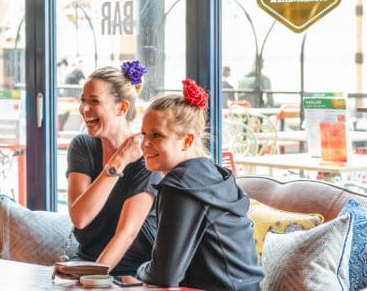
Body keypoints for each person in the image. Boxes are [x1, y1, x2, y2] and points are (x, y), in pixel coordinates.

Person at [135, 79, 263, 290]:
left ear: (187, 141)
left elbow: (164, 275)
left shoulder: (181, 187)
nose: (145, 143)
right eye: (144, 134)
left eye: (156, 135)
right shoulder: (212, 175)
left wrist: (138, 272)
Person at [67, 62, 163, 276]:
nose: (84, 109)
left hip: (133, 271)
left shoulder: (147, 155)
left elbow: (126, 234)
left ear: (122, 107)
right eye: (83, 101)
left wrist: (93, 280)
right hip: (85, 261)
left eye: (94, 101)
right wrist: (118, 161)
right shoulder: (82, 146)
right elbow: (80, 217)